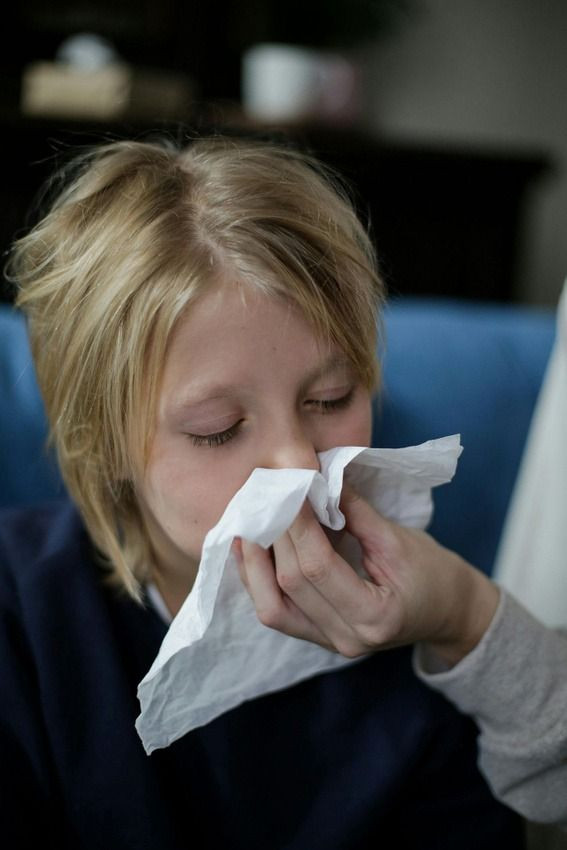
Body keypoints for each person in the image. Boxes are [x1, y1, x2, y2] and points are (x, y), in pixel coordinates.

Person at [0, 136, 523, 849]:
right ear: (102, 443)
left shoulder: (415, 617)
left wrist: (463, 619)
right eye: (218, 430)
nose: (299, 465)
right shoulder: (22, 622)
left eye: (331, 397)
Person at [236, 462, 567, 832]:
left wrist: (464, 610)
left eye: (330, 402)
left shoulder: (420, 690)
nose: (298, 457)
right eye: (218, 431)